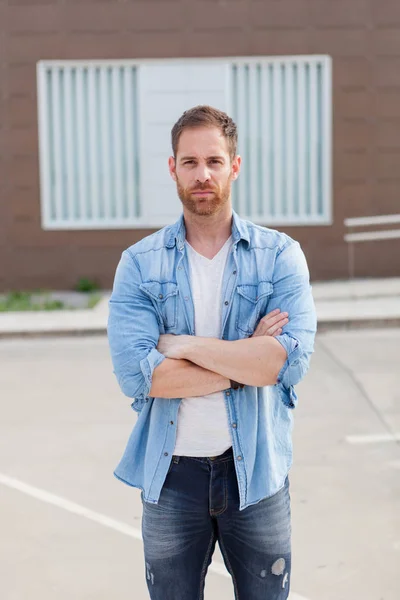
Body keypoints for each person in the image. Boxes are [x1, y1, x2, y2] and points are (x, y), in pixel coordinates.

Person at [107, 105, 317, 600]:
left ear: (234, 166)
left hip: (257, 474)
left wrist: (181, 347)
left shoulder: (279, 255)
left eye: (215, 161)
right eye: (190, 162)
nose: (203, 174)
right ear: (173, 167)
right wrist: (247, 360)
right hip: (172, 475)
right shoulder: (139, 264)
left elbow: (289, 363)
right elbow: (139, 376)